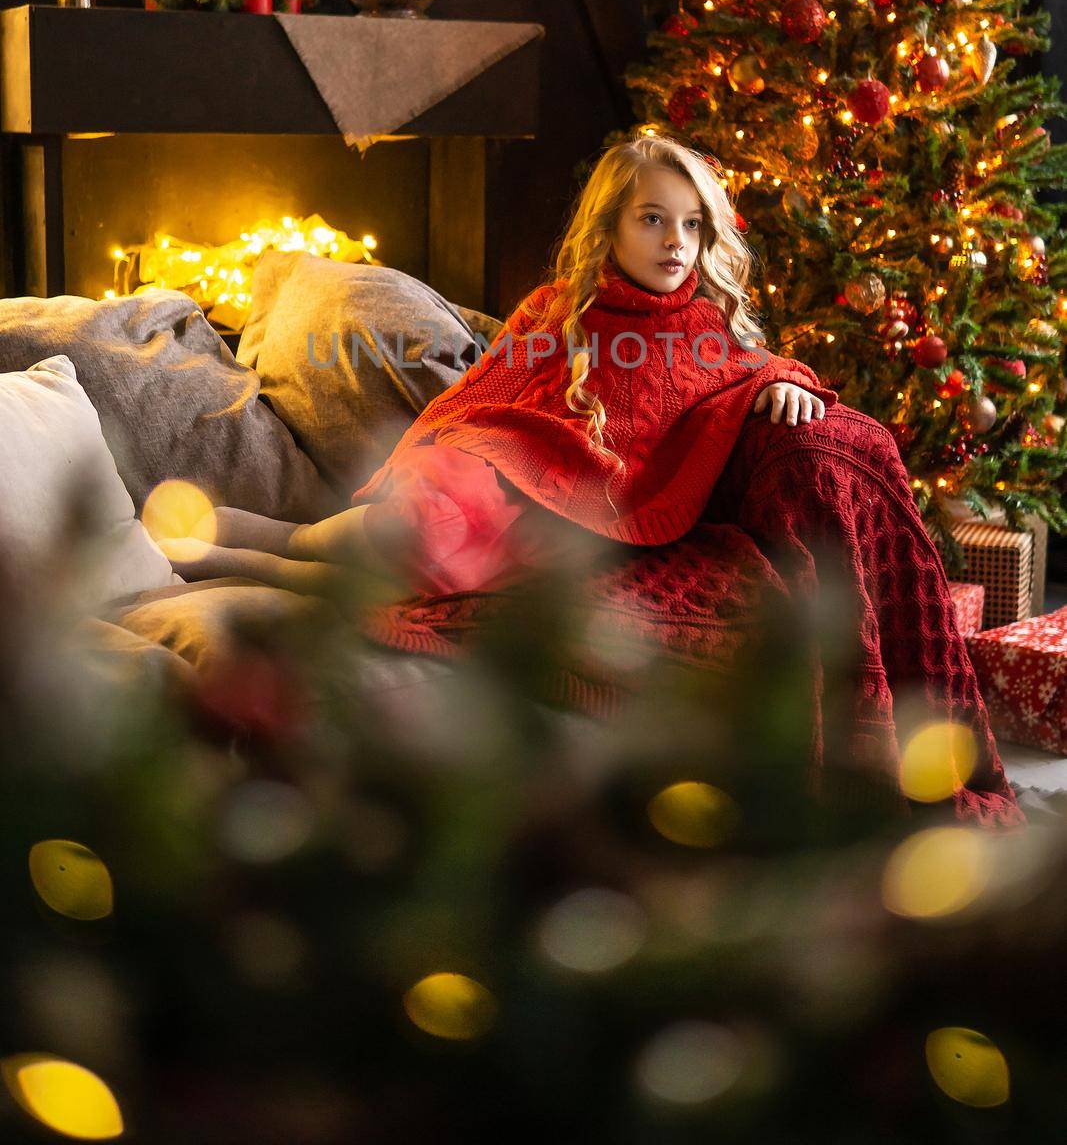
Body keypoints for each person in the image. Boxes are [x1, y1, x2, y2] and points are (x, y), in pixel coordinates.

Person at [179, 129, 1022, 826]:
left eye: (691, 226)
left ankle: (252, 556)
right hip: (494, 478)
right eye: (652, 221)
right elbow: (498, 393)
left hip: (578, 522)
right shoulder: (562, 307)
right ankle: (273, 539)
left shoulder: (706, 322)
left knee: (431, 565)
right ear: (610, 228)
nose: (673, 243)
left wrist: (782, 384)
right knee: (421, 525)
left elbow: (743, 375)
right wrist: (484, 455)